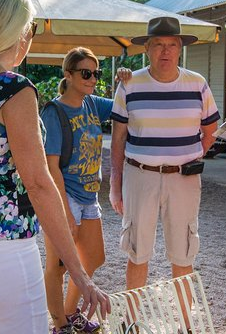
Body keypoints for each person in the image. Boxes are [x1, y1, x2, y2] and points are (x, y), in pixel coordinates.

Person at [0, 0, 110, 334]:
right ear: (15, 30)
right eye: (30, 28)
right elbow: (38, 183)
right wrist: (77, 270)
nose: (30, 37)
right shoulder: (13, 88)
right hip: (3, 248)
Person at [109, 16, 219, 310]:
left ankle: (185, 323)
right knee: (137, 251)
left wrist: (193, 156)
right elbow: (118, 137)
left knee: (183, 253)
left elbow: (211, 130)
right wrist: (115, 186)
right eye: (158, 44)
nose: (165, 51)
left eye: (172, 44)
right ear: (147, 48)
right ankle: (131, 321)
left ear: (180, 48)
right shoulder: (130, 84)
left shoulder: (197, 83)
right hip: (139, 175)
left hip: (183, 178)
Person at [41, 48, 131, 334]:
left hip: (90, 195)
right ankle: (59, 325)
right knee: (58, 264)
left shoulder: (92, 104)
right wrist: (63, 211)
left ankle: (70, 314)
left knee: (93, 258)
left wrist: (125, 82)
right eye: (86, 73)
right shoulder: (54, 112)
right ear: (68, 75)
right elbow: (51, 166)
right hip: (65, 195)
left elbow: (124, 104)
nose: (92, 79)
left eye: (96, 73)